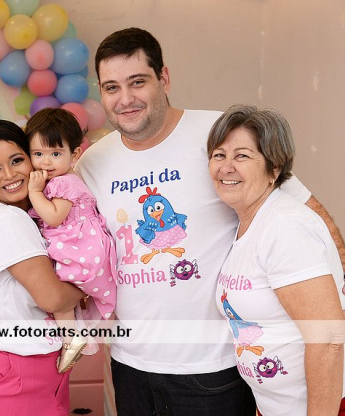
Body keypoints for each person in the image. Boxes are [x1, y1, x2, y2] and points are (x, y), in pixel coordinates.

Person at [74, 27, 345, 415]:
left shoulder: (220, 136)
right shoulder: (92, 163)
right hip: (129, 364)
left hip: (214, 370)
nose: (126, 98)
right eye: (111, 87)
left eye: (138, 82)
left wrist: (334, 301)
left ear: (164, 78)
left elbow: (310, 211)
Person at [207, 104, 345, 416]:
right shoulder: (250, 223)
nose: (226, 167)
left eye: (242, 156)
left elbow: (328, 340)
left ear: (274, 169)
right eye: (219, 155)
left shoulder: (286, 226)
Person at [0, 120, 85, 416]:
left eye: (16, 160)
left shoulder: (32, 215)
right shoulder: (6, 219)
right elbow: (52, 298)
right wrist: (90, 287)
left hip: (35, 362)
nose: (9, 175)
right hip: (10, 369)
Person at [25, 108, 118, 373]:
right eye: (38, 154)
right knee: (64, 296)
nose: (46, 162)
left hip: (80, 247)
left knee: (55, 291)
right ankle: (75, 335)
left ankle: (71, 339)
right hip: (84, 245)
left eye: (56, 154)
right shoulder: (66, 179)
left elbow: (54, 217)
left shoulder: (62, 183)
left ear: (74, 154)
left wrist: (34, 192)